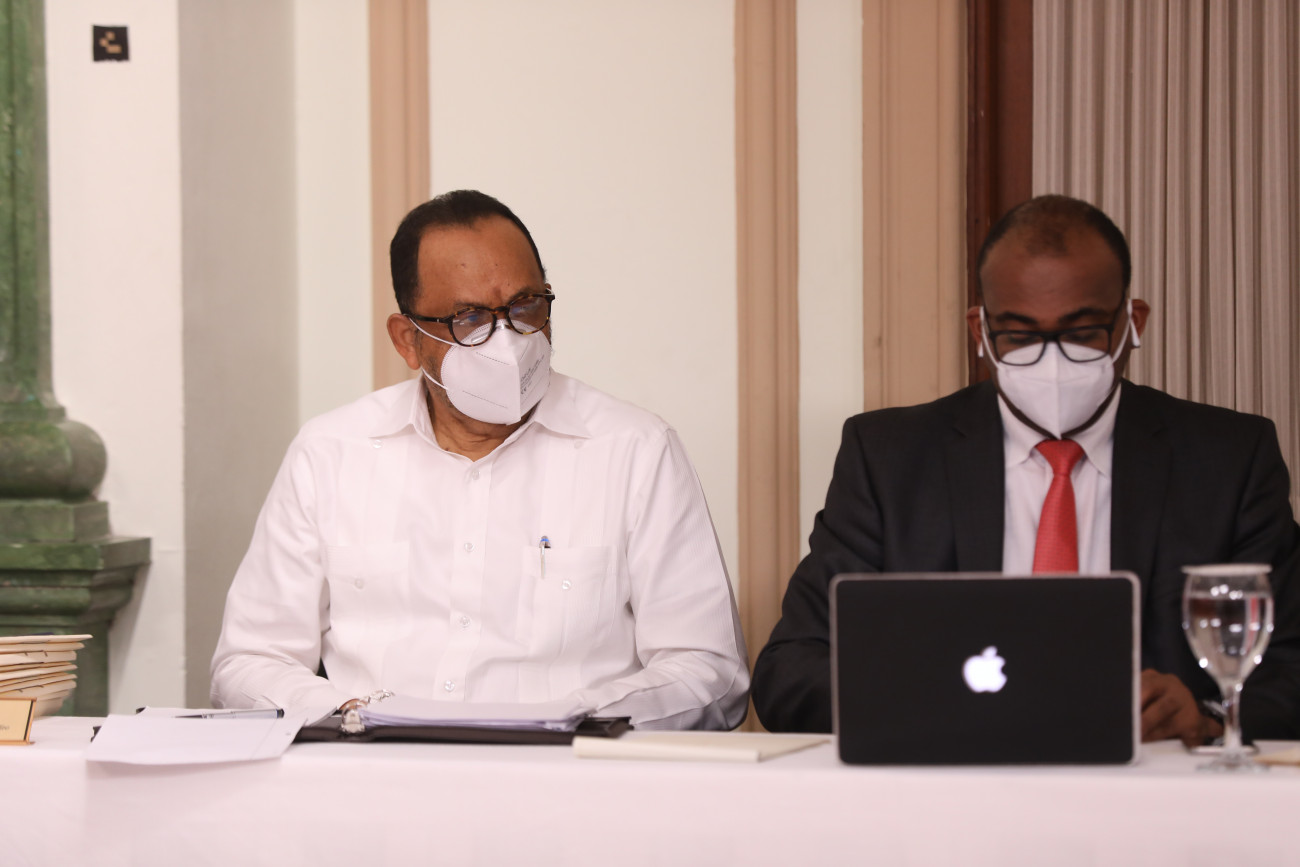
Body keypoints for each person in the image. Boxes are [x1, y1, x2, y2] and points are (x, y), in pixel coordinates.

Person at [752, 194, 1300, 743]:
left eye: (1082, 332)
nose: (1051, 359)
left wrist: (1209, 715)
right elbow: (790, 671)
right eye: (1019, 335)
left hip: (1155, 779)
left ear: (1132, 323)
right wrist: (930, 698)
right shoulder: (889, 458)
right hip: (950, 777)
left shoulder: (1229, 458)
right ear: (981, 332)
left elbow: (1291, 664)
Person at [211, 190, 748, 729]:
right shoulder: (330, 452)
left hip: (571, 770)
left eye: (526, 305)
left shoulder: (635, 449)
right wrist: (351, 717)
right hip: (374, 767)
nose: (508, 341)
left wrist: (572, 723)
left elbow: (709, 672)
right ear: (408, 340)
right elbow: (251, 659)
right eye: (468, 319)